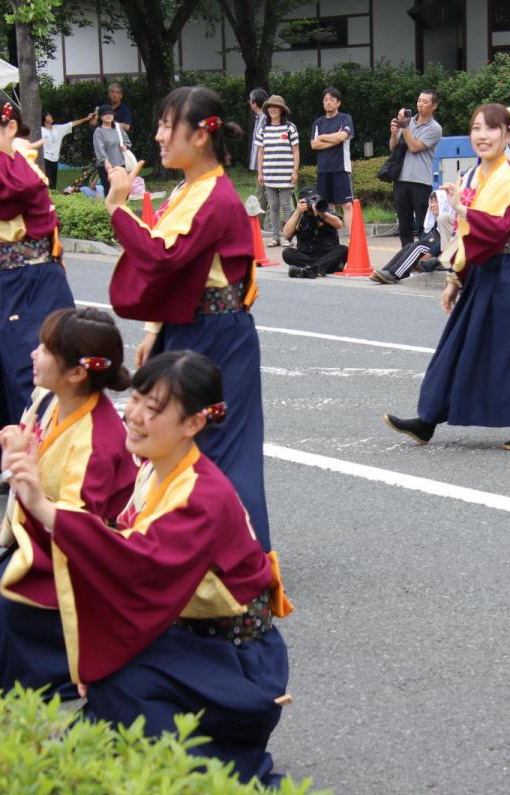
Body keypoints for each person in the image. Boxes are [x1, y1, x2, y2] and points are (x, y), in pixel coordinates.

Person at [2, 350, 292, 786]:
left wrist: (45, 507)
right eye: (135, 399)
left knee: (123, 684)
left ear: (193, 424)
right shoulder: (159, 467)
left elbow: (136, 566)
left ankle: (218, 763)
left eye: (152, 408)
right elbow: (125, 552)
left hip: (236, 659)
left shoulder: (202, 496)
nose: (133, 416)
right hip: (187, 632)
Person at [106, 86, 274, 553]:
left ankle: (239, 555)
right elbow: (181, 269)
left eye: (167, 124)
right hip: (194, 326)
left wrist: (117, 208)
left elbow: (164, 256)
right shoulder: (190, 189)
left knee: (215, 441)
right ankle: (183, 545)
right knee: (183, 439)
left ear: (201, 135)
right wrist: (155, 330)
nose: (159, 135)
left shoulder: (215, 196)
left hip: (217, 334)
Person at [0, 307, 135, 699]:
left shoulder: (97, 439)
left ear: (77, 372)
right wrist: (21, 450)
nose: (34, 353)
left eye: (45, 349)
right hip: (44, 538)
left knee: (6, 642)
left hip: (84, 560)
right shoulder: (51, 400)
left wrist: (24, 476)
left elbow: (79, 529)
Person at [384, 104, 510, 452]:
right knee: (459, 342)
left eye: (491, 129)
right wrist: (454, 279)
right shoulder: (475, 174)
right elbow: (467, 233)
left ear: (507, 134)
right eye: (476, 128)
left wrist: (462, 209)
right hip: (483, 267)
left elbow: (495, 230)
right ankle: (427, 420)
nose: (482, 135)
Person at [0, 93, 76, 485]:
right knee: (1, 370)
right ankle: (20, 463)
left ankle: (51, 466)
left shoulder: (14, 167)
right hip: (13, 280)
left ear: (10, 127)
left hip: (33, 280)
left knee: (31, 371)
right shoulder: (2, 164)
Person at [388, 90, 443, 246]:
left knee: (422, 226)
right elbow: (393, 148)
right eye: (419, 100)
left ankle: (422, 260)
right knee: (404, 226)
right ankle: (406, 262)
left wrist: (404, 127)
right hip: (400, 179)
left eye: (425, 102)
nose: (420, 104)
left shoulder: (434, 128)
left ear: (434, 106)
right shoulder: (409, 121)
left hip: (420, 181)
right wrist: (393, 133)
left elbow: (414, 147)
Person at [370, 189, 452, 284]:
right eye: (431, 201)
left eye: (437, 202)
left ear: (444, 202)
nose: (432, 205)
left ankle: (394, 274)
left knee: (418, 247)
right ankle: (387, 271)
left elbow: (445, 241)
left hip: (444, 252)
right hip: (435, 247)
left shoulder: (447, 219)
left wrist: (430, 253)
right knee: (410, 246)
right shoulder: (434, 220)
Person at [254, 94, 299, 247]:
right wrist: (260, 173)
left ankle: (289, 237)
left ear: (281, 109)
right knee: (273, 207)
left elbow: (296, 150)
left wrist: (295, 171)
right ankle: (275, 237)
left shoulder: (290, 127)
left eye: (276, 107)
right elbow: (260, 152)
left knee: (287, 206)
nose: (272, 109)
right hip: (269, 174)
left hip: (286, 174)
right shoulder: (263, 129)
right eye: (270, 107)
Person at [281, 188, 348, 279]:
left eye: (315, 199)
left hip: (327, 253)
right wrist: (297, 212)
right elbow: (286, 234)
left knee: (343, 249)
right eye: (310, 200)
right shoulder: (297, 214)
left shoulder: (324, 210)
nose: (313, 203)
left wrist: (322, 214)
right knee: (287, 253)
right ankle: (322, 268)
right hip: (307, 255)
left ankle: (308, 270)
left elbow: (339, 224)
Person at [311, 87, 354, 218]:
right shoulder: (318, 123)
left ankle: (352, 238)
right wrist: (334, 139)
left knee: (346, 204)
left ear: (338, 103)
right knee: (327, 205)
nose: (328, 102)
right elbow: (314, 144)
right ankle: (331, 237)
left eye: (331, 99)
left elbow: (342, 137)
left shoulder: (345, 118)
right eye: (325, 100)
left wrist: (323, 137)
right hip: (323, 169)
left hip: (341, 168)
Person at [39, 110, 95, 190]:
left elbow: (72, 124)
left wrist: (86, 119)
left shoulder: (57, 128)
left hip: (54, 159)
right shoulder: (40, 130)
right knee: (46, 181)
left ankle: (51, 198)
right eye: (48, 115)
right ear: (44, 118)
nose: (51, 117)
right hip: (45, 158)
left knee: (53, 182)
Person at [92, 105, 128, 195]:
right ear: (100, 117)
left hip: (120, 164)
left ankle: (122, 208)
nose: (108, 116)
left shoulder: (118, 127)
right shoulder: (99, 131)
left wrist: (125, 146)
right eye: (105, 114)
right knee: (110, 191)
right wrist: (106, 162)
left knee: (123, 190)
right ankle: (111, 209)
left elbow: (127, 141)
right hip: (105, 166)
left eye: (110, 113)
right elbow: (99, 149)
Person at [247, 87, 269, 174]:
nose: (249, 102)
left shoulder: (266, 118)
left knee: (263, 187)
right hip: (260, 164)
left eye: (250, 100)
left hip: (265, 163)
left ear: (254, 103)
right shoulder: (259, 117)